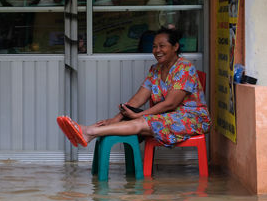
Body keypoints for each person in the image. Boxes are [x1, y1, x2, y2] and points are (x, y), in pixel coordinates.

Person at [57, 27, 210, 147]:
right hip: (165, 118)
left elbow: (171, 103)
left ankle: (89, 132)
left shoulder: (184, 68)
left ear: (175, 46)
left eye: (162, 46)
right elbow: (138, 99)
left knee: (141, 121)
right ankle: (89, 131)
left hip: (191, 119)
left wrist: (139, 116)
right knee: (134, 119)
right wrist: (115, 119)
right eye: (155, 46)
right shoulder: (155, 70)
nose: (157, 50)